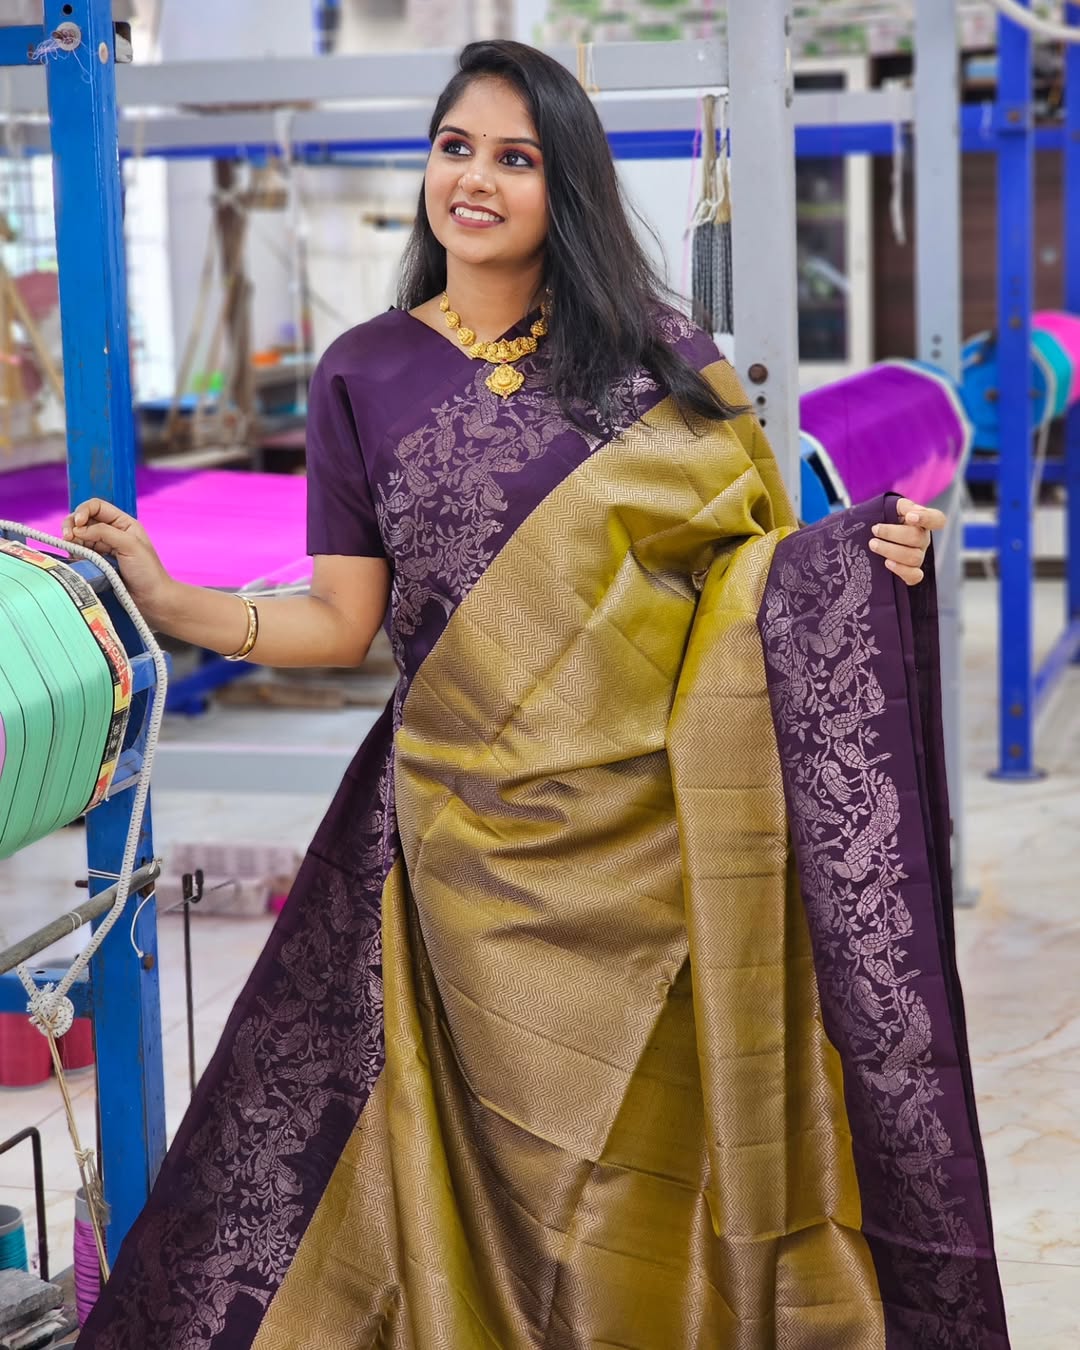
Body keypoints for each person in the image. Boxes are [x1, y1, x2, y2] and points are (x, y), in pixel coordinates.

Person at [71, 40, 1008, 1350]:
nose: (476, 178)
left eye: (515, 157)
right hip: (457, 852)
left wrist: (861, 557)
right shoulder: (362, 371)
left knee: (639, 1167)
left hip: (656, 844)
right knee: (476, 1172)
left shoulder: (657, 359)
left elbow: (754, 573)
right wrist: (173, 602)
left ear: (564, 184)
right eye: (456, 147)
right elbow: (343, 622)